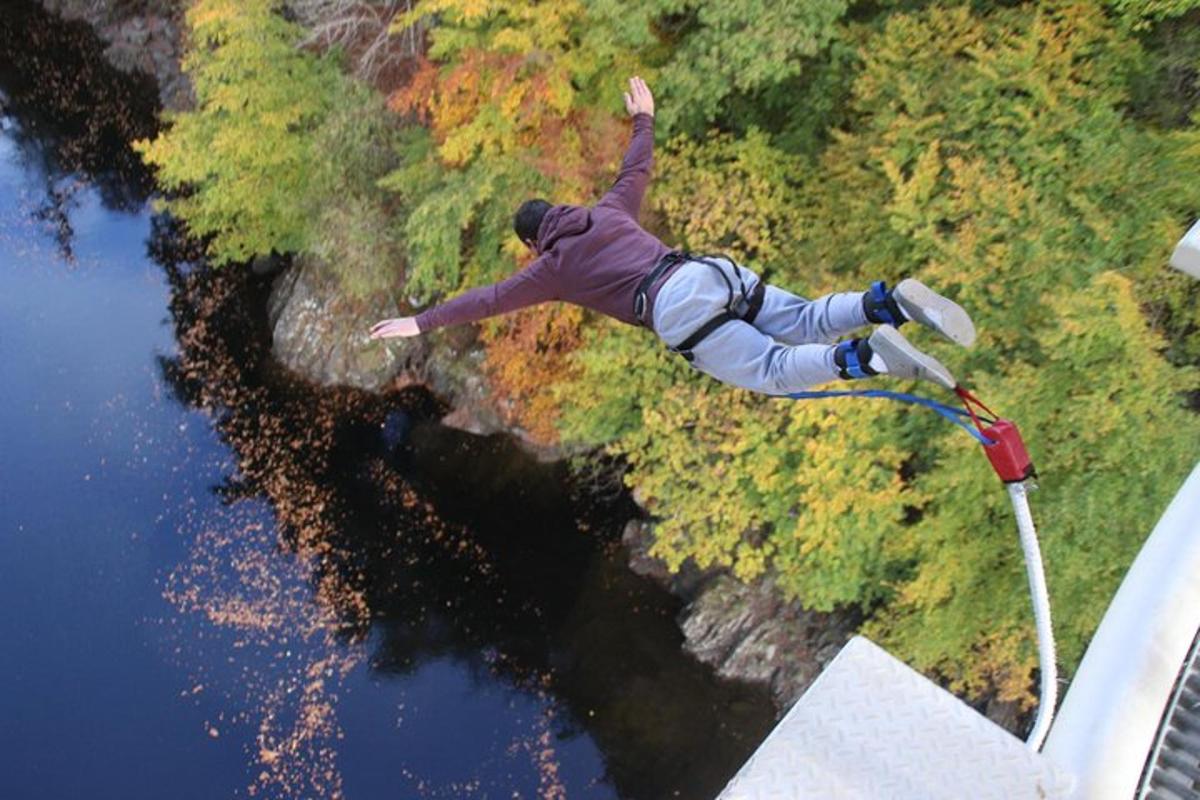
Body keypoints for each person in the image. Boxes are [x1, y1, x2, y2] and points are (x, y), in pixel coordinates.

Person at [370, 77, 975, 394]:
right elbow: (637, 166)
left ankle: (867, 355)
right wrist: (645, 116)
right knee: (806, 317)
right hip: (708, 271)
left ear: (534, 243)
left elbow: (491, 300)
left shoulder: (551, 269)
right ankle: (888, 304)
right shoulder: (607, 211)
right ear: (559, 207)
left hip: (676, 310)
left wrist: (418, 323)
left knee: (772, 369)